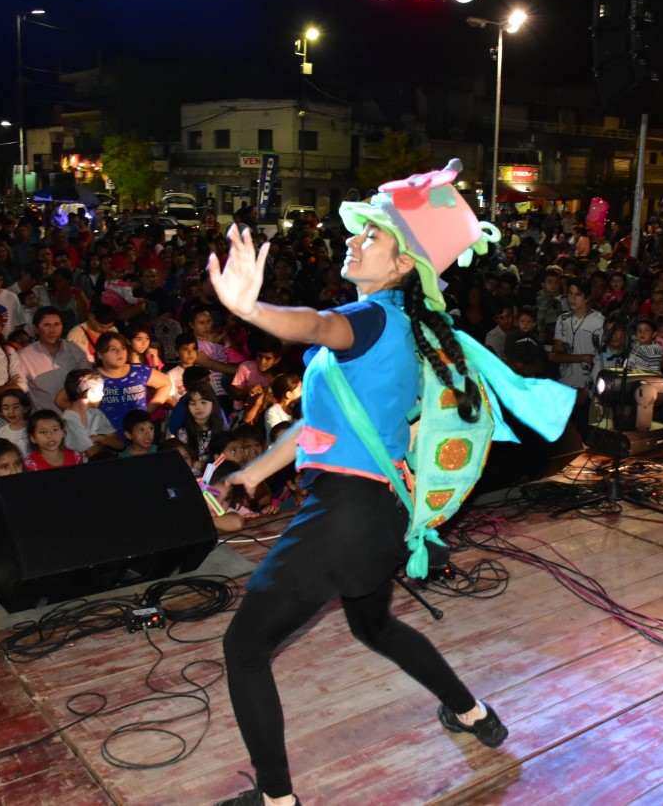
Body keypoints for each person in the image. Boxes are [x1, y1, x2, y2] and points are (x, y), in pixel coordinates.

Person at [206, 161, 524, 806]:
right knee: (374, 627)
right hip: (378, 517)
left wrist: (250, 307)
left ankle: (275, 800)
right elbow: (321, 423)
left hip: (345, 513)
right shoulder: (400, 328)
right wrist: (252, 473)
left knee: (243, 648)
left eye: (370, 235)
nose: (352, 240)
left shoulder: (371, 319)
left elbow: (318, 325)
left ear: (403, 265)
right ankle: (471, 713)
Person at [550, 277, 605, 431]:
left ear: (586, 297)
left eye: (577, 294)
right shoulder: (563, 319)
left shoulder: (599, 322)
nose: (572, 298)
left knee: (584, 431)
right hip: (564, 384)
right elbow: (556, 355)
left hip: (587, 387)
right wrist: (582, 357)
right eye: (570, 293)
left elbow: (601, 359)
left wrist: (587, 388)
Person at [16, 306, 92, 412]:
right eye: (46, 325)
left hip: (76, 418)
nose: (52, 330)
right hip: (44, 421)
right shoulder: (24, 356)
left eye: (57, 324)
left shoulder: (77, 349)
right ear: (36, 329)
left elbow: (89, 380)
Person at [61, 370, 124, 459]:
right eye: (100, 390)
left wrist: (99, 438)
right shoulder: (69, 419)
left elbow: (120, 445)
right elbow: (92, 454)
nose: (102, 394)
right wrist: (105, 441)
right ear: (88, 393)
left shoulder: (96, 413)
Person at [0, 388, 33, 457]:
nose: (11, 411)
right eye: (6, 408)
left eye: (16, 407)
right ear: (1, 411)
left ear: (25, 408)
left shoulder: (34, 429)